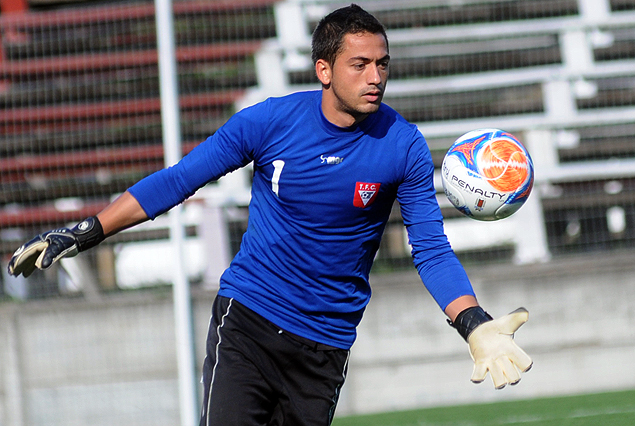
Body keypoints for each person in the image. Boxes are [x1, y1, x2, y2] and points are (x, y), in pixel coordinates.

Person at [7, 4, 532, 426]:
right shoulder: (269, 122)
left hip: (324, 348)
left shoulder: (404, 146)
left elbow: (431, 250)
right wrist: (87, 230)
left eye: (382, 64)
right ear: (323, 70)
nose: (376, 77)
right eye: (360, 64)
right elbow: (178, 180)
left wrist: (474, 324)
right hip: (248, 326)